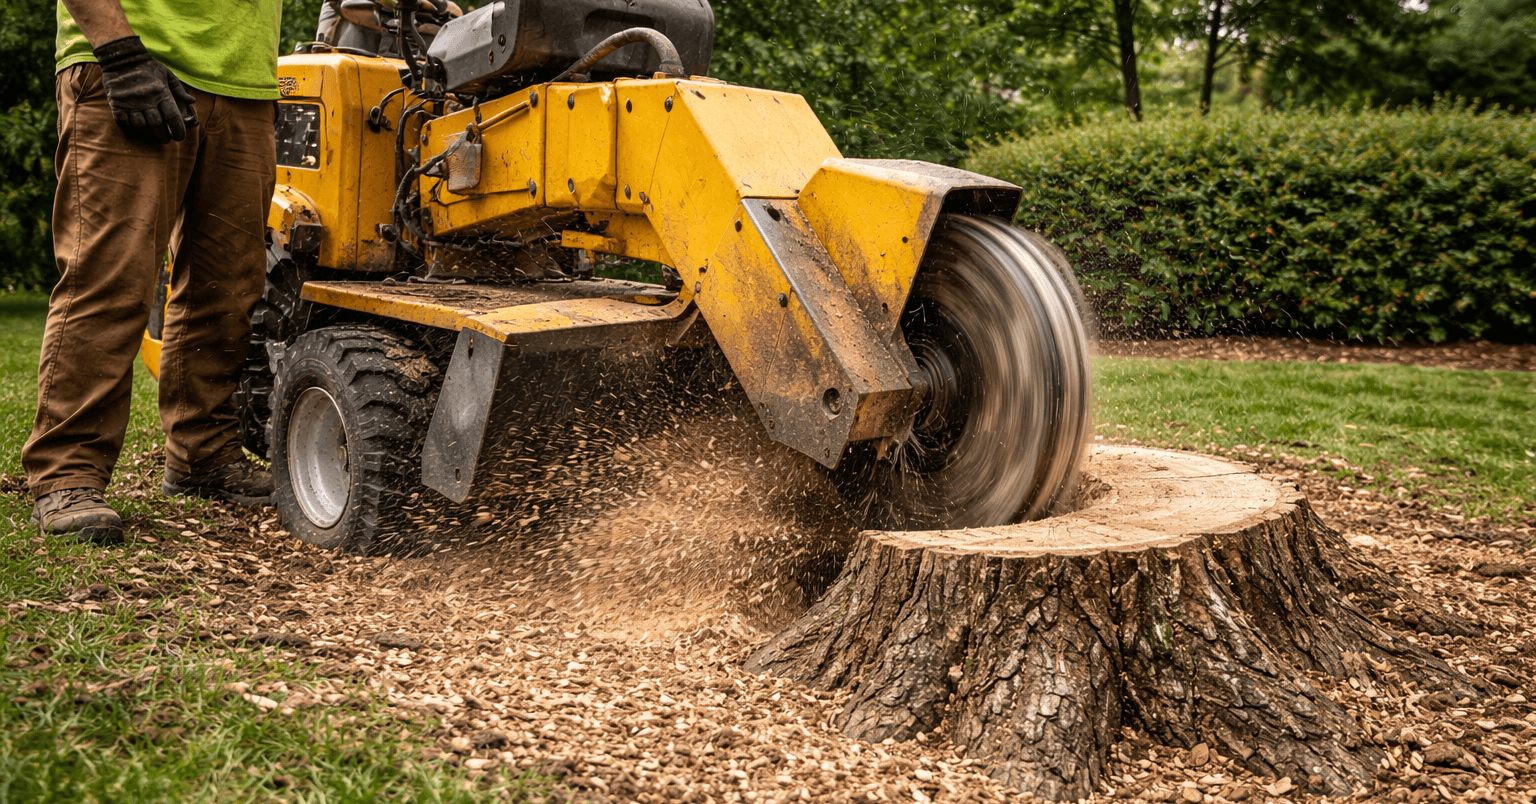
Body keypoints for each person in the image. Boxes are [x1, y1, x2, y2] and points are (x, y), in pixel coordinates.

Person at [26, 0, 283, 542]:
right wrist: (118, 51)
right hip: (134, 60)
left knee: (230, 286)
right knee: (111, 277)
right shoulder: (123, 58)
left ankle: (203, 456)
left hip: (245, 82)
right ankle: (67, 472)